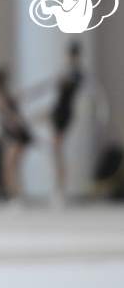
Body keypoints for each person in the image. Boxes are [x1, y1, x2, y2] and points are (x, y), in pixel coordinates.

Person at [0, 66, 30, 208]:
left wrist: (13, 128)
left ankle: (17, 199)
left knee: (9, 167)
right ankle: (17, 197)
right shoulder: (6, 96)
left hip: (14, 135)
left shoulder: (0, 97)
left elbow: (8, 117)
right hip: (13, 135)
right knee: (10, 167)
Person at [51, 42, 84, 205]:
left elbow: (70, 85)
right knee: (57, 151)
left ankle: (61, 189)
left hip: (64, 113)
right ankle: (59, 187)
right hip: (59, 111)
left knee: (58, 151)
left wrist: (64, 79)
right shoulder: (68, 71)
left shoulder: (76, 73)